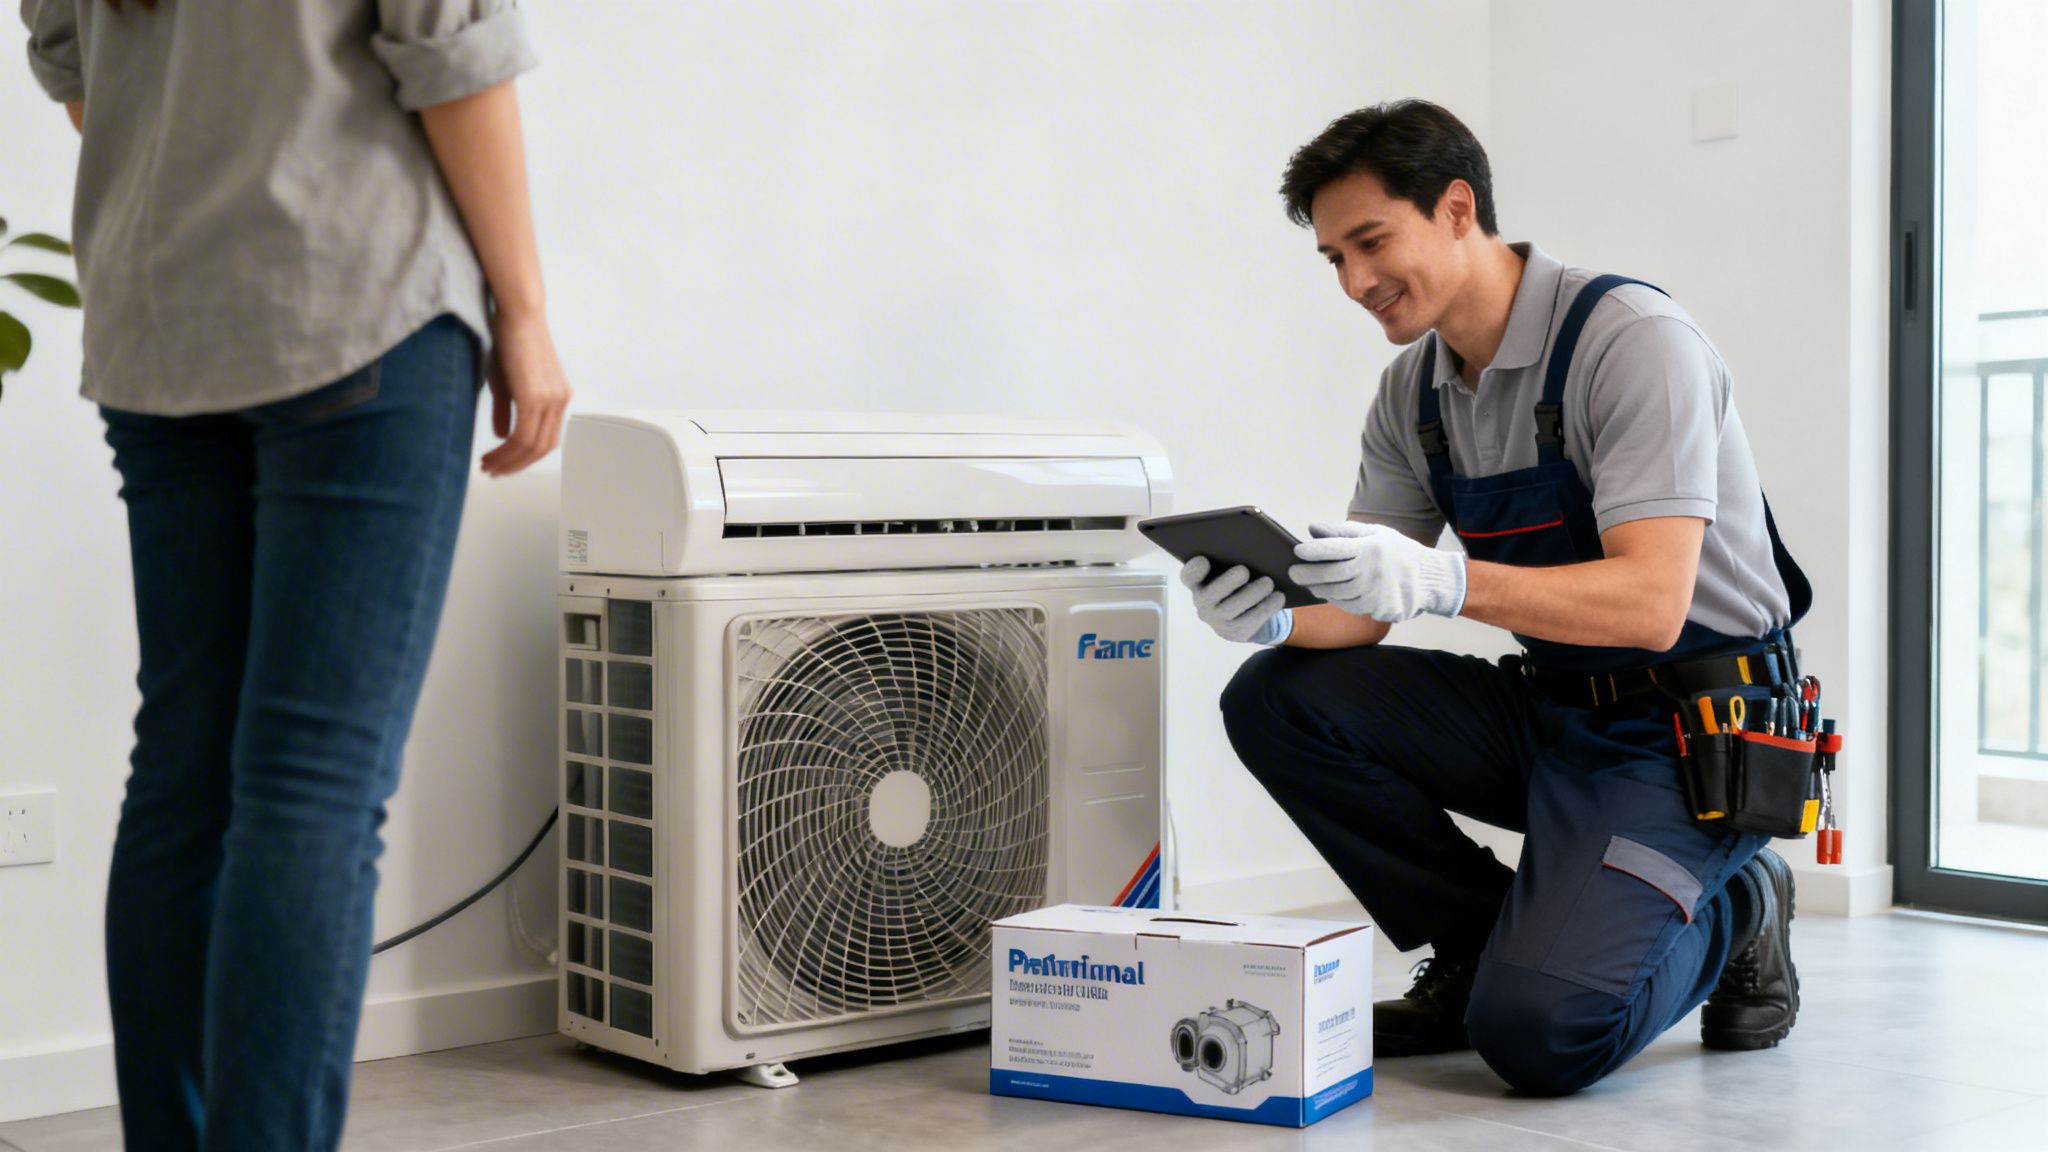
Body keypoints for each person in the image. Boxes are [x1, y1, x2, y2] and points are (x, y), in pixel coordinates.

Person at [21, 0, 570, 1146]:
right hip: (354, 297)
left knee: (183, 778)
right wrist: (524, 312)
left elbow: (72, 66)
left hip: (159, 318)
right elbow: (451, 51)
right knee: (312, 787)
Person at [1179, 100, 1810, 1096]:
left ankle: (1742, 906)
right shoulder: (1412, 394)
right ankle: (1477, 941)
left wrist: (1447, 580)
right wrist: (1277, 614)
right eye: (1334, 257)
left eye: (1371, 242)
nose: (1353, 282)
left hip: (1693, 737)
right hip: (1553, 710)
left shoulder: (1631, 342)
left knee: (1539, 1037)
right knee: (1275, 695)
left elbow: (1651, 602)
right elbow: (1364, 606)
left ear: (1457, 208)